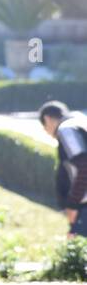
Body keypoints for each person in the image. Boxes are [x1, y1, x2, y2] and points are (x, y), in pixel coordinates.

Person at [39, 100, 87, 236]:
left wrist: (73, 205)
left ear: (47, 119)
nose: (46, 131)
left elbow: (83, 167)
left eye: (44, 126)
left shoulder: (66, 130)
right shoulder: (80, 122)